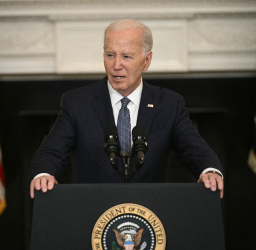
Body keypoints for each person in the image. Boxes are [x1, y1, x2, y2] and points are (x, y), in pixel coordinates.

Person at [30, 19, 224, 199]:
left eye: (126, 56)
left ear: (146, 61)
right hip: (92, 212)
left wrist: (209, 171)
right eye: (110, 55)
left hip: (150, 213)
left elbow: (194, 148)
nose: (116, 65)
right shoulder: (77, 103)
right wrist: (44, 174)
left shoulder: (169, 104)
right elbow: (52, 151)